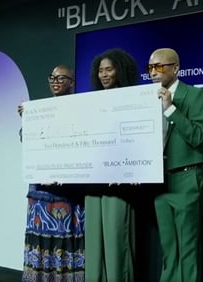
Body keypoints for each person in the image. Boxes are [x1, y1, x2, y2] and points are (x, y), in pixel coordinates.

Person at [147, 48, 203, 282]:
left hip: (187, 178)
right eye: (150, 67)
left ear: (176, 68)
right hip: (160, 181)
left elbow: (198, 137)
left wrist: (171, 109)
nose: (154, 72)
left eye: (160, 66)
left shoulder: (196, 95)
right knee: (169, 249)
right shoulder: (145, 98)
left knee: (187, 249)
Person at [19, 65, 85, 282]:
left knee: (66, 246)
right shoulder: (40, 109)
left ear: (72, 82)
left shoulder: (81, 108)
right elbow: (26, 141)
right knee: (39, 247)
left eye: (61, 78)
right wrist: (26, 121)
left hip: (68, 195)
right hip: (40, 195)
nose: (55, 81)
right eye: (52, 77)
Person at [85, 48, 140, 282]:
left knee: (117, 242)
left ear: (120, 70)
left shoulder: (134, 100)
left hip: (119, 182)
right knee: (94, 245)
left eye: (109, 69)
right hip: (92, 184)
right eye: (100, 71)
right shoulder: (89, 102)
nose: (104, 75)